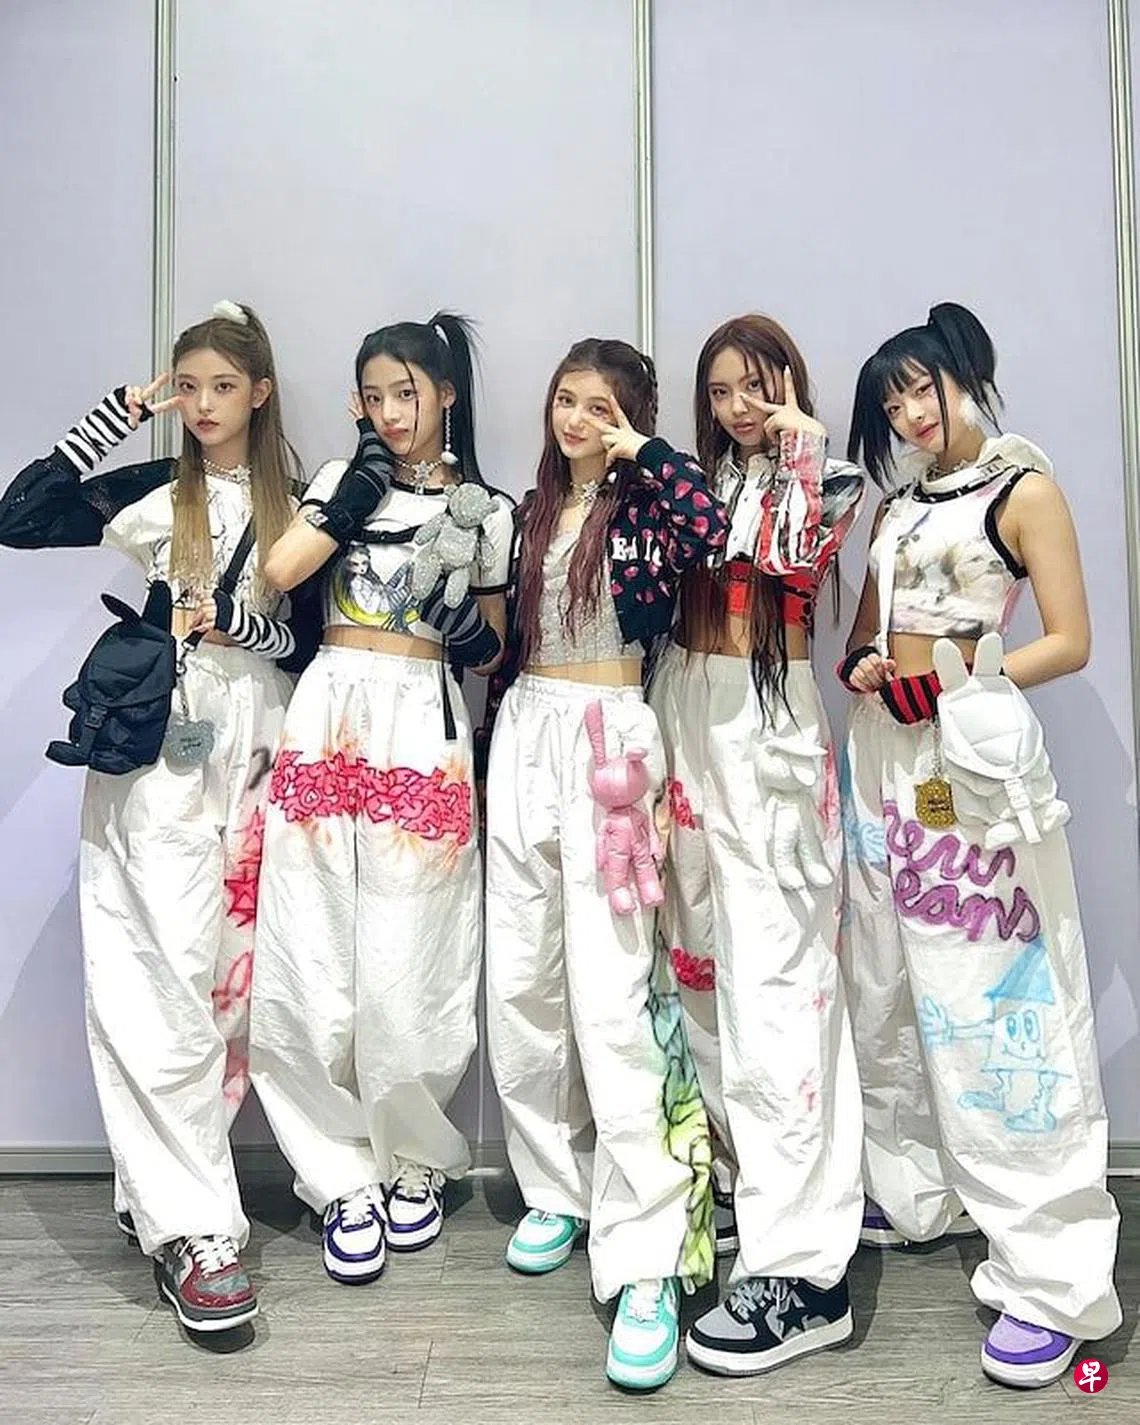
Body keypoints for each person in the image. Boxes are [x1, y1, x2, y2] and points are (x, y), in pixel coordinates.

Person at [0, 301, 302, 1335]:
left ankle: (160, 1189)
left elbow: (309, 639)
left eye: (223, 386)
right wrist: (119, 414)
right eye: (189, 387)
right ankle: (195, 1230)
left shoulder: (300, 502)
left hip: (258, 739)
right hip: (155, 743)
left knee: (233, 980)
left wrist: (241, 622)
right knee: (155, 968)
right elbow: (19, 515)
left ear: (260, 391)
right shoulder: (152, 490)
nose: (204, 405)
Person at [839, 301, 1121, 1388]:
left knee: (998, 998)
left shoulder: (1023, 488)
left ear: (965, 373)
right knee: (887, 982)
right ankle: (920, 1189)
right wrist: (867, 667)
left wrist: (956, 681)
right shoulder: (898, 506)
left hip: (970, 761)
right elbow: (864, 633)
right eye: (893, 402)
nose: (912, 413)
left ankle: (1051, 1272)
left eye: (924, 386)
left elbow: (1069, 639)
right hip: (884, 755)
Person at [484, 337, 728, 1389]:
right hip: (524, 728)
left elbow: (715, 533)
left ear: (631, 415)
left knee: (618, 992)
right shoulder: (530, 510)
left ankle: (649, 1254)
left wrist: (645, 452)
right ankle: (557, 1186)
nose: (577, 420)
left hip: (610, 730)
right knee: (522, 975)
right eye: (566, 401)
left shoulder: (649, 504)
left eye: (600, 406)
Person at [250, 314, 512, 1286]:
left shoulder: (487, 510)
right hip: (330, 711)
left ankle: (414, 1158)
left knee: (416, 949)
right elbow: (278, 574)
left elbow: (492, 649)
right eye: (375, 395)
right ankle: (336, 1176)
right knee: (310, 940)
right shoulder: (337, 479)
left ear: (446, 394)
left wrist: (464, 627)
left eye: (409, 393)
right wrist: (353, 494)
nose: (393, 412)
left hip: (422, 718)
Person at [650, 314, 867, 1376]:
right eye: (722, 390)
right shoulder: (699, 483)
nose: (739, 407)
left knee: (782, 982)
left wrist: (799, 444)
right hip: (686, 707)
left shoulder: (828, 476)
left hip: (766, 721)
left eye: (757, 385)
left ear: (790, 383)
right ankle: (743, 1181)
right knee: (697, 967)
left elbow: (786, 558)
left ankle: (805, 1270)